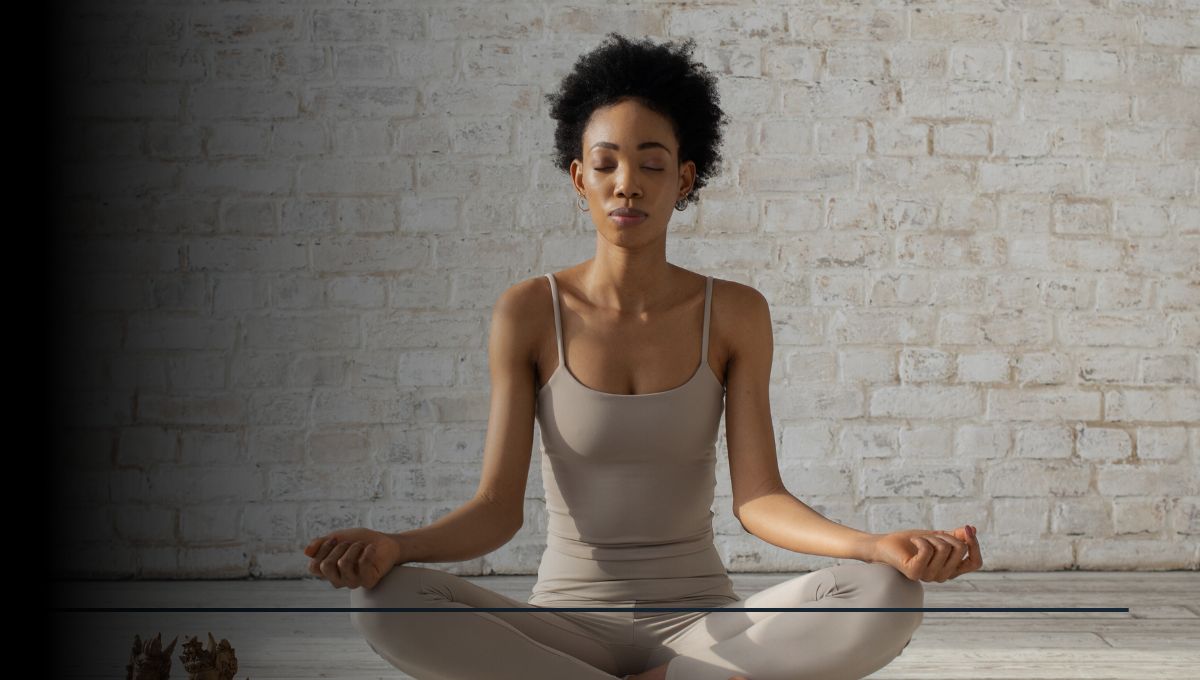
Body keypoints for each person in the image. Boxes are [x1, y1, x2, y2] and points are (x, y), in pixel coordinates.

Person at [302, 32, 984, 680]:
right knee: (385, 600)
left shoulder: (736, 312)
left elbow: (761, 498)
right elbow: (496, 510)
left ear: (684, 179)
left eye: (652, 164)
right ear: (578, 178)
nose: (627, 183)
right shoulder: (528, 312)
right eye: (605, 164)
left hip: (705, 623)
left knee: (888, 593)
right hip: (564, 626)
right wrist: (398, 547)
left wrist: (875, 546)